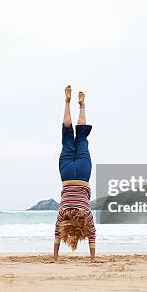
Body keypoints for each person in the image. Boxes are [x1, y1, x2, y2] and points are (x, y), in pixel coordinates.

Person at [53, 85, 101, 263]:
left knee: (81, 138)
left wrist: (93, 257)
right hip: (66, 175)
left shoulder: (86, 213)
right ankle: (67, 102)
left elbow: (93, 236)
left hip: (82, 174)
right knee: (67, 137)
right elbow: (56, 235)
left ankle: (81, 105)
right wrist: (55, 257)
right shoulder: (63, 212)